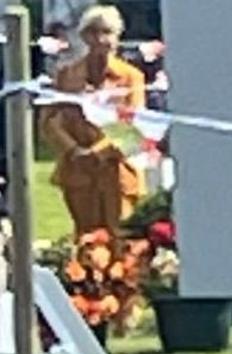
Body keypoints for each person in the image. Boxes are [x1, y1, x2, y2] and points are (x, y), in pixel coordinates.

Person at [43, 6, 144, 238]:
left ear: (117, 36)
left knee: (122, 239)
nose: (100, 39)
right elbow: (49, 122)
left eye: (107, 32)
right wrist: (74, 150)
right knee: (86, 239)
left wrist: (97, 152)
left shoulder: (132, 77)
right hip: (77, 171)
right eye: (93, 32)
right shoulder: (66, 75)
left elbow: (134, 128)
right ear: (83, 36)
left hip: (117, 172)